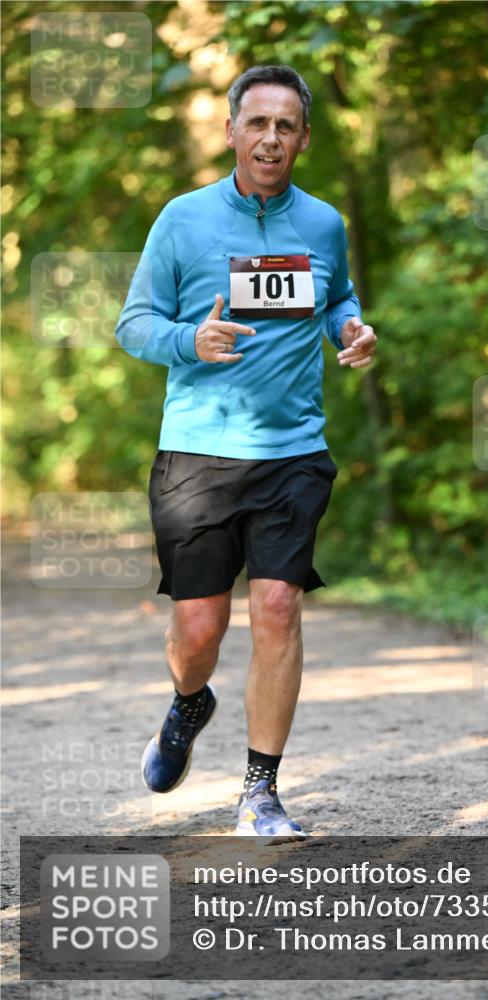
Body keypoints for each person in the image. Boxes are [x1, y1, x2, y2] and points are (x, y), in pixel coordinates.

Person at [115, 65, 377, 843]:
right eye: (256, 123)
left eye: (285, 126)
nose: (270, 138)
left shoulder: (323, 223)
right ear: (231, 131)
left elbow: (337, 299)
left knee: (276, 607)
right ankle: (189, 703)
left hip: (293, 451)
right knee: (199, 631)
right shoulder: (182, 220)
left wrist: (351, 332)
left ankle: (260, 791)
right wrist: (187, 340)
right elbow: (133, 324)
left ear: (303, 137)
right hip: (197, 453)